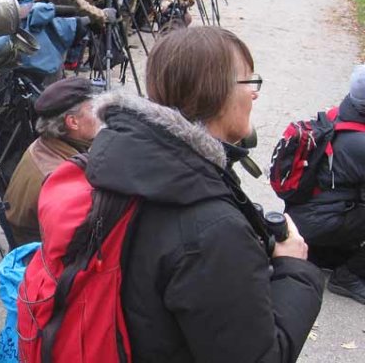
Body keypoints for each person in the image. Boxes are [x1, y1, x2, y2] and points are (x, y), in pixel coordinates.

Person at [29, 26, 323, 361]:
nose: (255, 94)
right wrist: (293, 269)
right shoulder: (212, 229)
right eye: (249, 81)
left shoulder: (117, 159)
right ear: (215, 92)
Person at [286, 65, 365, 304]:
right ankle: (348, 276)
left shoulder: (340, 113)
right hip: (321, 221)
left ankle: (324, 253)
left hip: (305, 217)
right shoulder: (360, 143)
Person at [4, 77, 101, 245]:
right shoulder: (61, 176)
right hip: (41, 255)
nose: (101, 114)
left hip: (32, 241)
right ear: (72, 122)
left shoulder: (46, 143)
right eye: (93, 109)